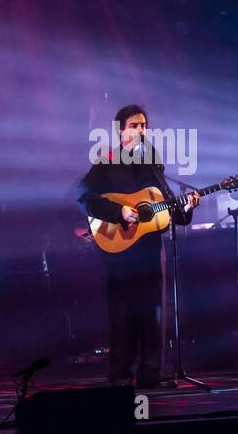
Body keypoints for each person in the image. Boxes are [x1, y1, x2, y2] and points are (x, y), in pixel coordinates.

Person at [77, 105, 201, 388]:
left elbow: (170, 209)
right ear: (121, 130)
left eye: (144, 125)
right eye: (134, 125)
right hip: (118, 250)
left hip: (149, 250)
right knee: (123, 312)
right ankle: (120, 374)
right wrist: (118, 212)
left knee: (153, 311)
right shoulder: (108, 160)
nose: (141, 130)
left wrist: (188, 207)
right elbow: (82, 194)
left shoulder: (153, 165)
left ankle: (150, 373)